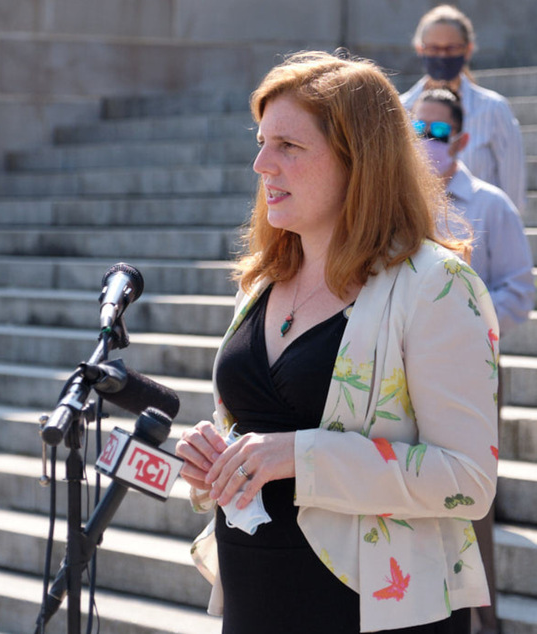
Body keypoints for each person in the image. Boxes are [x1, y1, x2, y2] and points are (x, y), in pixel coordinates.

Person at [176, 50, 499, 634]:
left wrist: (297, 456)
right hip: (255, 597)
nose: (260, 164)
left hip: (372, 613)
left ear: (360, 161)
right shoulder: (261, 278)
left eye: (288, 147)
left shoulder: (437, 285)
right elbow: (262, 431)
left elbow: (467, 482)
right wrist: (220, 462)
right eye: (261, 140)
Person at [413, 87, 534, 634]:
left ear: (460, 139)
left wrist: (471, 325)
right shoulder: (399, 202)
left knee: (470, 504)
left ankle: (482, 624)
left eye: (436, 132)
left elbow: (519, 289)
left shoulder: (490, 204)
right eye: (417, 131)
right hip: (404, 374)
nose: (424, 142)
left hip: (472, 375)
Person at [400, 4, 527, 214]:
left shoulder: (494, 109)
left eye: (451, 49)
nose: (442, 55)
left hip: (478, 235)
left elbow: (513, 198)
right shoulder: (400, 109)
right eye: (433, 49)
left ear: (467, 50)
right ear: (420, 49)